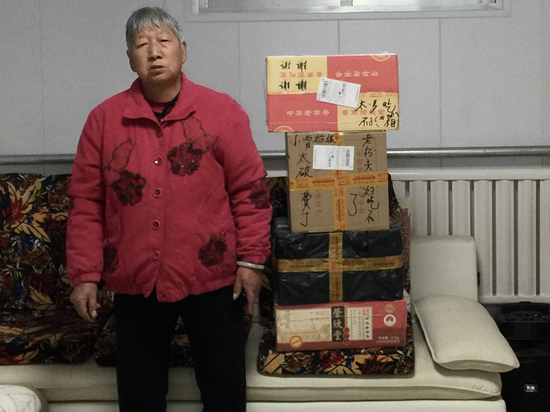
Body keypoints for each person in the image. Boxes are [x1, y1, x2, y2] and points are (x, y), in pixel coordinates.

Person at [66, 7, 272, 412]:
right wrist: (85, 275)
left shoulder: (222, 111)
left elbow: (250, 190)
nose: (154, 52)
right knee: (139, 396)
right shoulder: (104, 120)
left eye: (163, 41)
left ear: (183, 50)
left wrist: (251, 262)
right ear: (130, 59)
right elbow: (86, 203)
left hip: (213, 276)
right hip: (136, 277)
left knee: (224, 392)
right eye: (142, 45)